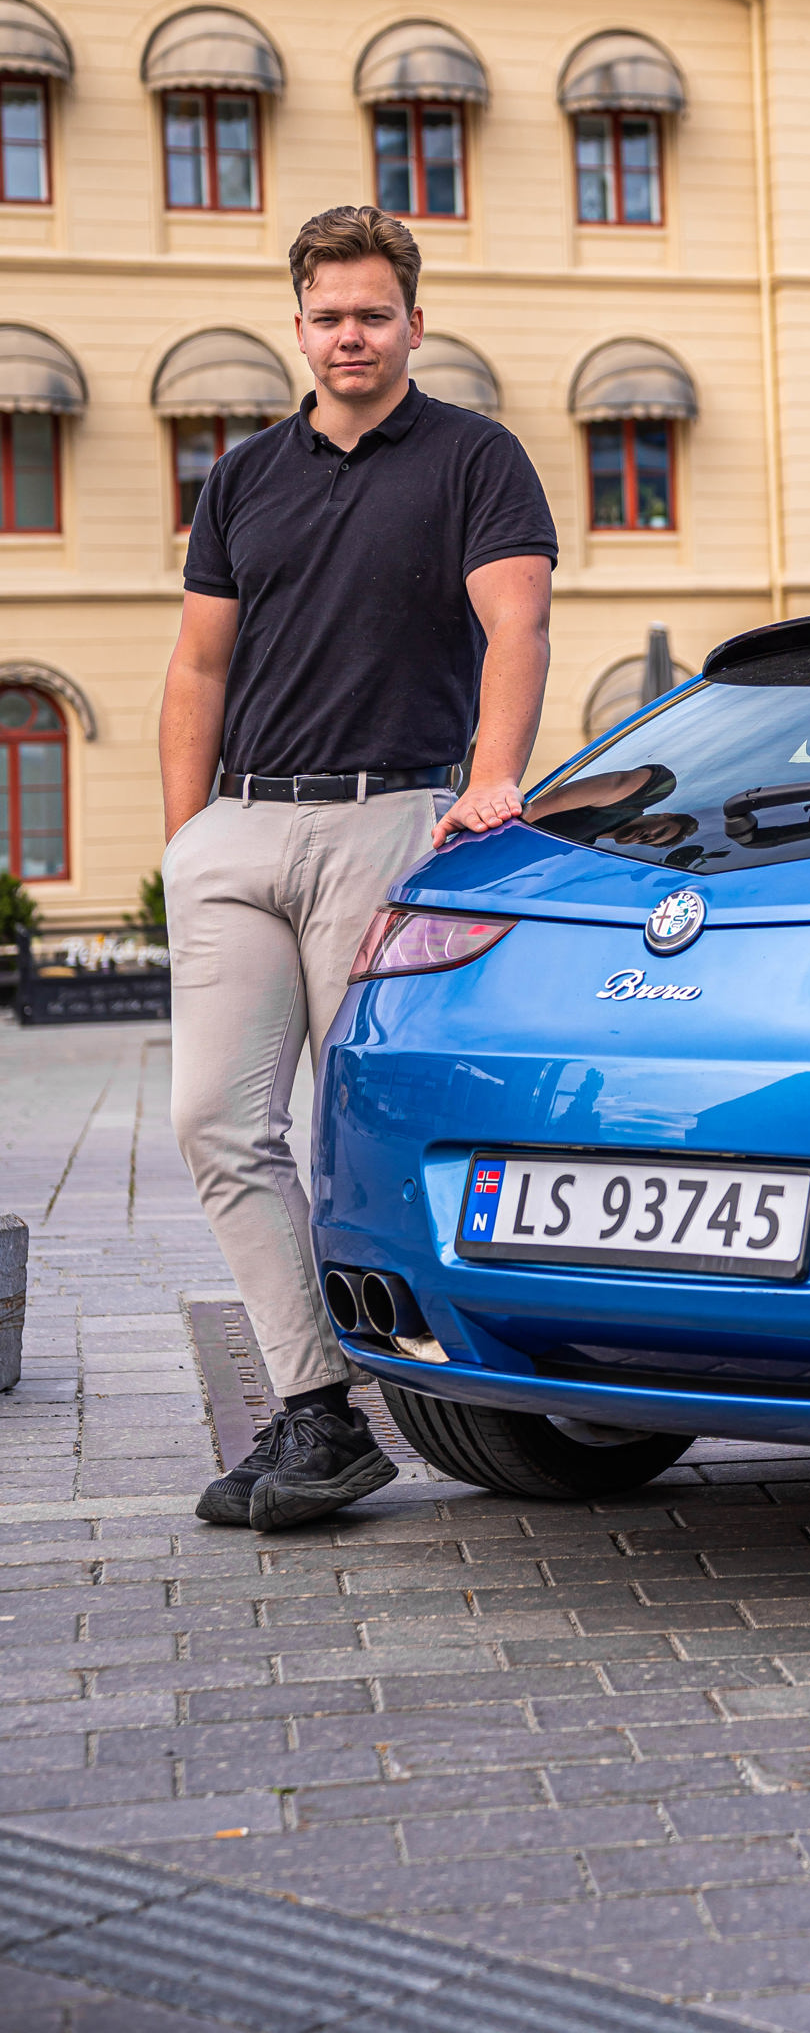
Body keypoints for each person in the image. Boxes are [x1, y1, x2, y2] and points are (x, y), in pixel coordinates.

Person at [161, 204, 557, 1531]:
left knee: (362, 1122)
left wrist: (492, 778)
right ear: (299, 327)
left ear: (413, 323)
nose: (351, 336)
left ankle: (475, 1385)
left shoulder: (476, 458)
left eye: (373, 315)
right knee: (217, 1123)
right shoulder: (241, 478)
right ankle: (316, 1413)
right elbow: (198, 666)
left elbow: (517, 627)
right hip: (240, 829)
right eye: (329, 316)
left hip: (390, 824)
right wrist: (187, 836)